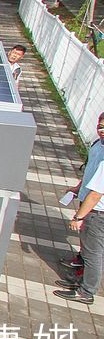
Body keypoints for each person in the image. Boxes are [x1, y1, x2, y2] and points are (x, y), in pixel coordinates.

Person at [54, 113, 104, 304]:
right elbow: (91, 172)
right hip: (89, 206)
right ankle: (80, 279)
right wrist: (78, 188)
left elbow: (97, 193)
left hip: (97, 211)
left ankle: (86, 291)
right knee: (87, 248)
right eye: (100, 125)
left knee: (94, 253)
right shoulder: (97, 145)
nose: (101, 130)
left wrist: (78, 217)